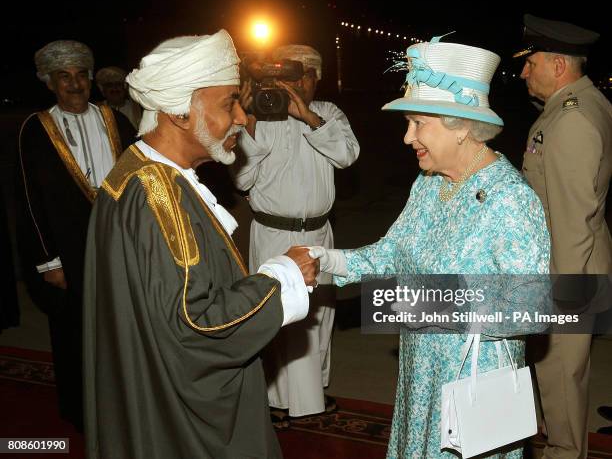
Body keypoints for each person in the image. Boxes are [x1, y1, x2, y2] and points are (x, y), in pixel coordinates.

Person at [309, 36, 550, 458]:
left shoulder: (510, 200)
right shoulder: (428, 185)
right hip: (421, 373)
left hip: (473, 383)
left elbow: (532, 307)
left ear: (460, 128)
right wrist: (324, 259)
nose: (407, 138)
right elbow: (393, 251)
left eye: (419, 123)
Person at [83, 29, 319, 459]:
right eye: (229, 102)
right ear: (178, 112)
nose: (244, 118)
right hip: (182, 421)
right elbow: (197, 327)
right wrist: (282, 276)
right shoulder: (160, 197)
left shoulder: (137, 171)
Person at [233, 44, 360, 426]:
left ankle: (313, 392)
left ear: (315, 78)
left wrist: (307, 118)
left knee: (319, 316)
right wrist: (250, 121)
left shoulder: (329, 114)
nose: (293, 83)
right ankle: (276, 400)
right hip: (272, 233)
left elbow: (347, 155)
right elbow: (240, 179)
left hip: (320, 232)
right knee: (277, 314)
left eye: (302, 75)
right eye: (288, 75)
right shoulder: (258, 115)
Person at [16, 39, 135, 430]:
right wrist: (49, 261)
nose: (74, 84)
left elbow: (143, 181)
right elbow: (29, 200)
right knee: (75, 333)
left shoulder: (115, 120)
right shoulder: (36, 129)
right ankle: (83, 411)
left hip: (120, 243)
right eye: (63, 77)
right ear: (49, 83)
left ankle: (127, 403)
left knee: (124, 324)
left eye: (80, 75)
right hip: (68, 250)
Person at [517, 14, 612, 459]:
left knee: (560, 384)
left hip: (568, 271)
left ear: (557, 65)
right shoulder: (581, 103)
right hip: (573, 262)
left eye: (529, 63)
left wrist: (563, 296)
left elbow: (573, 219)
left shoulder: (570, 120)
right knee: (562, 383)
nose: (522, 73)